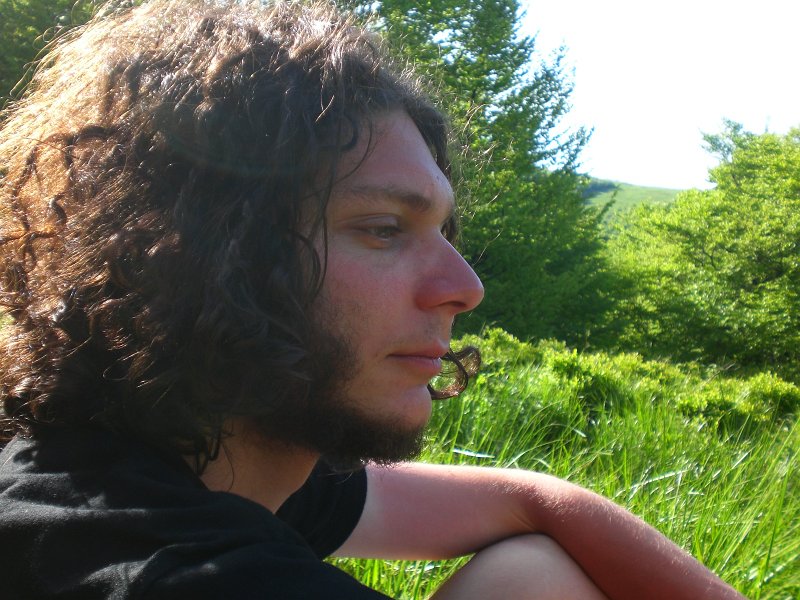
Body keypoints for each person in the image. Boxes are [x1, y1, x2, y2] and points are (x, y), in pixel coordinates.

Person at [0, 1, 745, 598]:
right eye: (384, 229)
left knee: (531, 577)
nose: (465, 288)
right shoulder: (189, 576)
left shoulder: (142, 466)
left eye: (443, 231)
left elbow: (533, 499)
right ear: (195, 253)